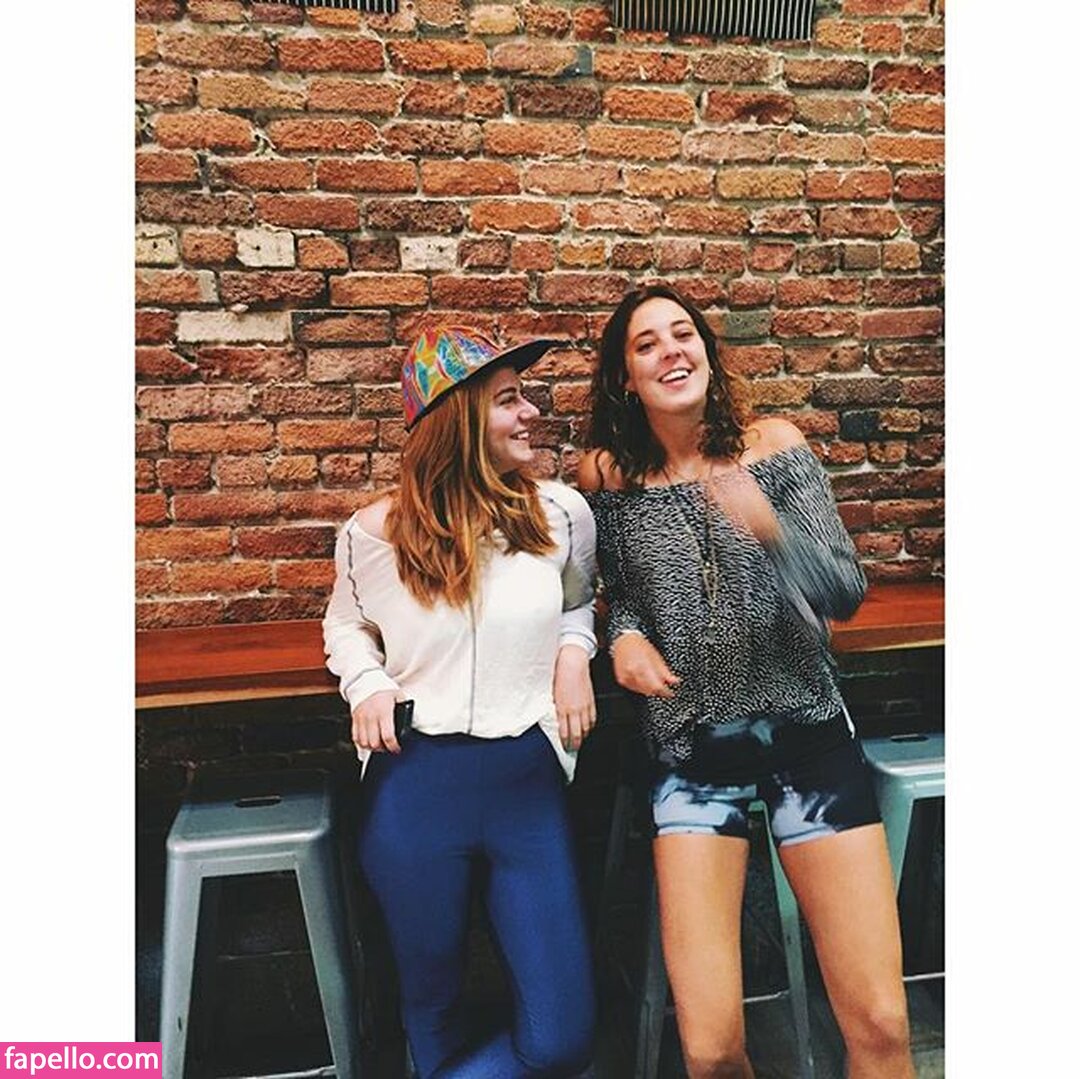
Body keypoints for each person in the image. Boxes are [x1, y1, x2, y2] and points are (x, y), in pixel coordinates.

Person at [578, 284, 914, 1079]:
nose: (671, 351)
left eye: (683, 334)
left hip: (809, 738)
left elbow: (844, 589)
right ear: (626, 376)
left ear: (707, 350)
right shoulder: (610, 477)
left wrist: (770, 528)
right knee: (711, 1049)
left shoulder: (775, 446)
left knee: (880, 1021)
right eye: (647, 343)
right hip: (693, 755)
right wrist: (623, 637)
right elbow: (621, 593)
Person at [323, 326, 598, 1079]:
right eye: (508, 399)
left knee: (562, 1037)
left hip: (527, 784)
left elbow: (578, 602)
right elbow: (346, 624)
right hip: (416, 783)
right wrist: (368, 683)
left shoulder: (561, 514)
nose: (531, 412)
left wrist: (575, 653)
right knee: (432, 1001)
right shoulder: (372, 534)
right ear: (457, 421)